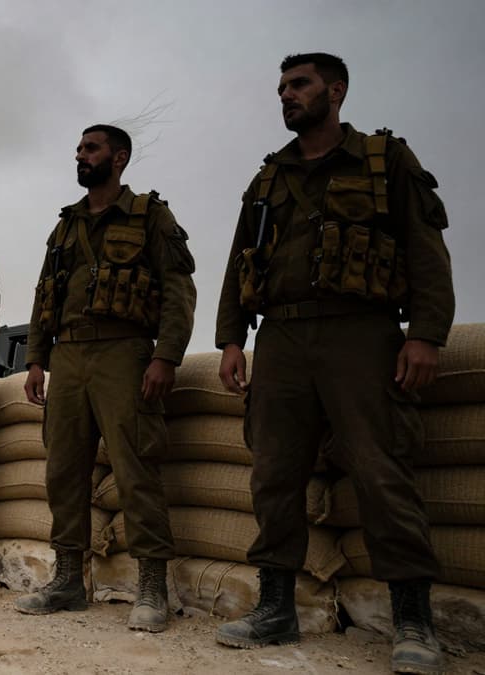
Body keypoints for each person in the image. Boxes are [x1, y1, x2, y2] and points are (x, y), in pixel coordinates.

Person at [213, 53, 453, 674]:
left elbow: (427, 251)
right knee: (273, 474)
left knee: (380, 470)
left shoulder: (382, 160)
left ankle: (413, 619)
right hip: (283, 338)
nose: (286, 96)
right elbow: (239, 260)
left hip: (361, 335)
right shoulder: (268, 179)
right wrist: (233, 339)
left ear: (335, 91)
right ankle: (275, 610)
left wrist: (425, 335)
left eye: (299, 85)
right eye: (282, 88)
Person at [15, 125, 197, 629]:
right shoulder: (65, 226)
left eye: (90, 148)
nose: (80, 155)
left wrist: (166, 357)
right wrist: (35, 358)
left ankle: (152, 590)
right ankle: (69, 581)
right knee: (63, 470)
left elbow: (179, 289)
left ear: (118, 158)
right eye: (77, 147)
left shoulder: (150, 217)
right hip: (68, 354)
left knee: (135, 468)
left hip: (125, 351)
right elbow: (43, 293)